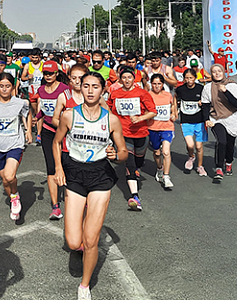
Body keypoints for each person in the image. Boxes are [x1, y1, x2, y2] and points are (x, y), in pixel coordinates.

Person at [53, 72, 128, 300]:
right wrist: (58, 168)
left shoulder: (111, 120)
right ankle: (84, 229)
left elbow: (123, 152)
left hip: (100, 176)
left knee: (91, 239)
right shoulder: (69, 115)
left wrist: (116, 156)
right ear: (80, 87)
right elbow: (56, 142)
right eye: (86, 85)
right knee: (73, 241)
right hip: (74, 174)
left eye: (95, 86)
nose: (90, 90)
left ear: (103, 90)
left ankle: (84, 285)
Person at [0, 72, 31, 221]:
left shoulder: (19, 102)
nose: (4, 89)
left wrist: (28, 130)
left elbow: (27, 114)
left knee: (10, 176)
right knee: (5, 180)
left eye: (7, 86)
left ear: (13, 87)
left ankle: (14, 197)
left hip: (15, 143)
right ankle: (14, 197)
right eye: (1, 86)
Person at [107, 66, 156, 211]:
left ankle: (136, 168)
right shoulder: (115, 93)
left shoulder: (142, 93)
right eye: (124, 77)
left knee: (138, 160)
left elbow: (153, 111)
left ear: (134, 78)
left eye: (129, 77)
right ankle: (134, 196)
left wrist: (140, 118)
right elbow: (107, 107)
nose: (127, 80)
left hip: (141, 133)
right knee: (130, 163)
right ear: (120, 79)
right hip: (123, 133)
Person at [31, 59, 69, 219]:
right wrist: (37, 117)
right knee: (51, 167)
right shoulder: (41, 90)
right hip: (48, 131)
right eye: (45, 73)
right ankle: (55, 206)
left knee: (67, 164)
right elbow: (44, 109)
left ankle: (75, 198)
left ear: (56, 73)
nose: (48, 76)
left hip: (64, 131)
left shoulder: (64, 89)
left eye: (51, 73)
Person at [202, 63, 237, 180]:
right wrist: (206, 119)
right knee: (222, 141)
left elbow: (236, 104)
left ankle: (228, 162)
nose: (217, 74)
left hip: (231, 117)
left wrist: (225, 92)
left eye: (219, 71)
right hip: (216, 118)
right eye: (214, 72)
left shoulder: (232, 85)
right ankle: (219, 167)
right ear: (211, 74)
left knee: (230, 144)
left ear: (223, 72)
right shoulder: (208, 88)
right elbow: (205, 105)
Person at [175, 68, 209, 177]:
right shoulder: (180, 89)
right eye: (187, 78)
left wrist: (202, 103)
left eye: (191, 78)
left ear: (195, 78)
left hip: (199, 121)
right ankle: (191, 157)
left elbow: (207, 102)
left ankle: (200, 166)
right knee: (190, 145)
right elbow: (175, 99)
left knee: (199, 146)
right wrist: (175, 110)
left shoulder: (201, 88)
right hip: (186, 121)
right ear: (184, 79)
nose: (189, 80)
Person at [147, 74, 178, 189]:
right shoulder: (148, 95)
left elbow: (173, 107)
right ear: (151, 84)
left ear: (163, 84)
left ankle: (166, 176)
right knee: (156, 152)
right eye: (154, 84)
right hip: (153, 127)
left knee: (166, 151)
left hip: (167, 127)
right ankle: (160, 168)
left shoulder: (168, 95)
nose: (156, 86)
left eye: (159, 84)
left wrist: (173, 114)